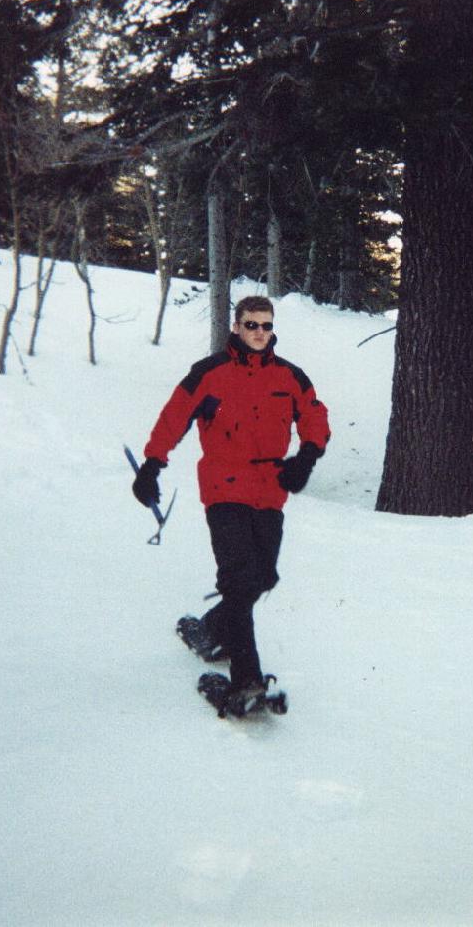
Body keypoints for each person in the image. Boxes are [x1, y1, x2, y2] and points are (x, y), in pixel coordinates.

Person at [132, 295, 330, 704]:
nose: (260, 332)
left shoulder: (290, 376)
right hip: (224, 484)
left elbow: (315, 416)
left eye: (266, 325)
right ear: (236, 327)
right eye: (252, 324)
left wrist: (306, 458)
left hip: (270, 488)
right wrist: (152, 465)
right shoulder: (210, 373)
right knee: (240, 578)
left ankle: (208, 633)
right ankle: (247, 680)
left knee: (262, 578)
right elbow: (174, 416)